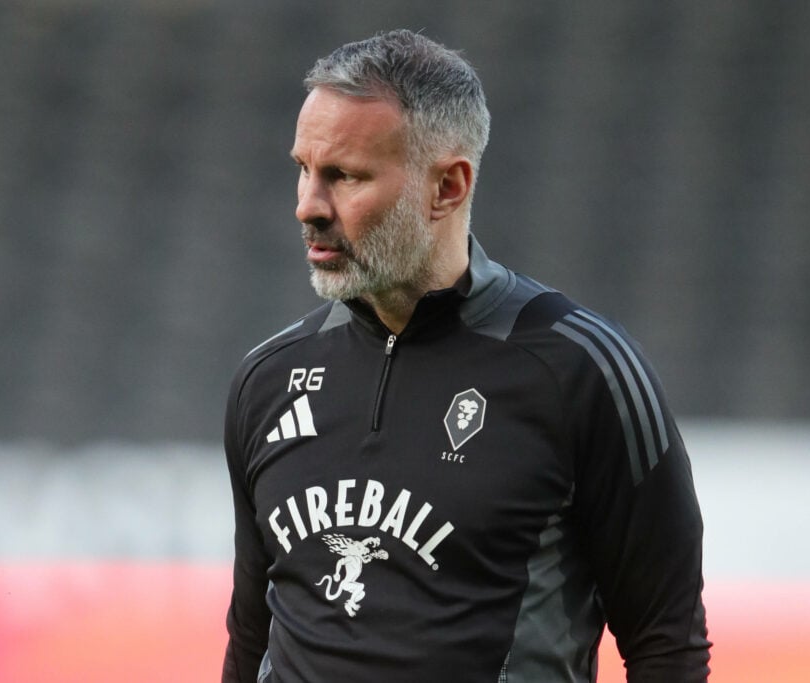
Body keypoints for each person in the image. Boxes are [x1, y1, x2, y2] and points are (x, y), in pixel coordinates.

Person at [222, 29, 710, 682]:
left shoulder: (582, 371)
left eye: (344, 175)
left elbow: (667, 643)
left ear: (447, 187)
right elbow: (252, 637)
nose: (307, 206)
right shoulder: (267, 379)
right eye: (304, 169)